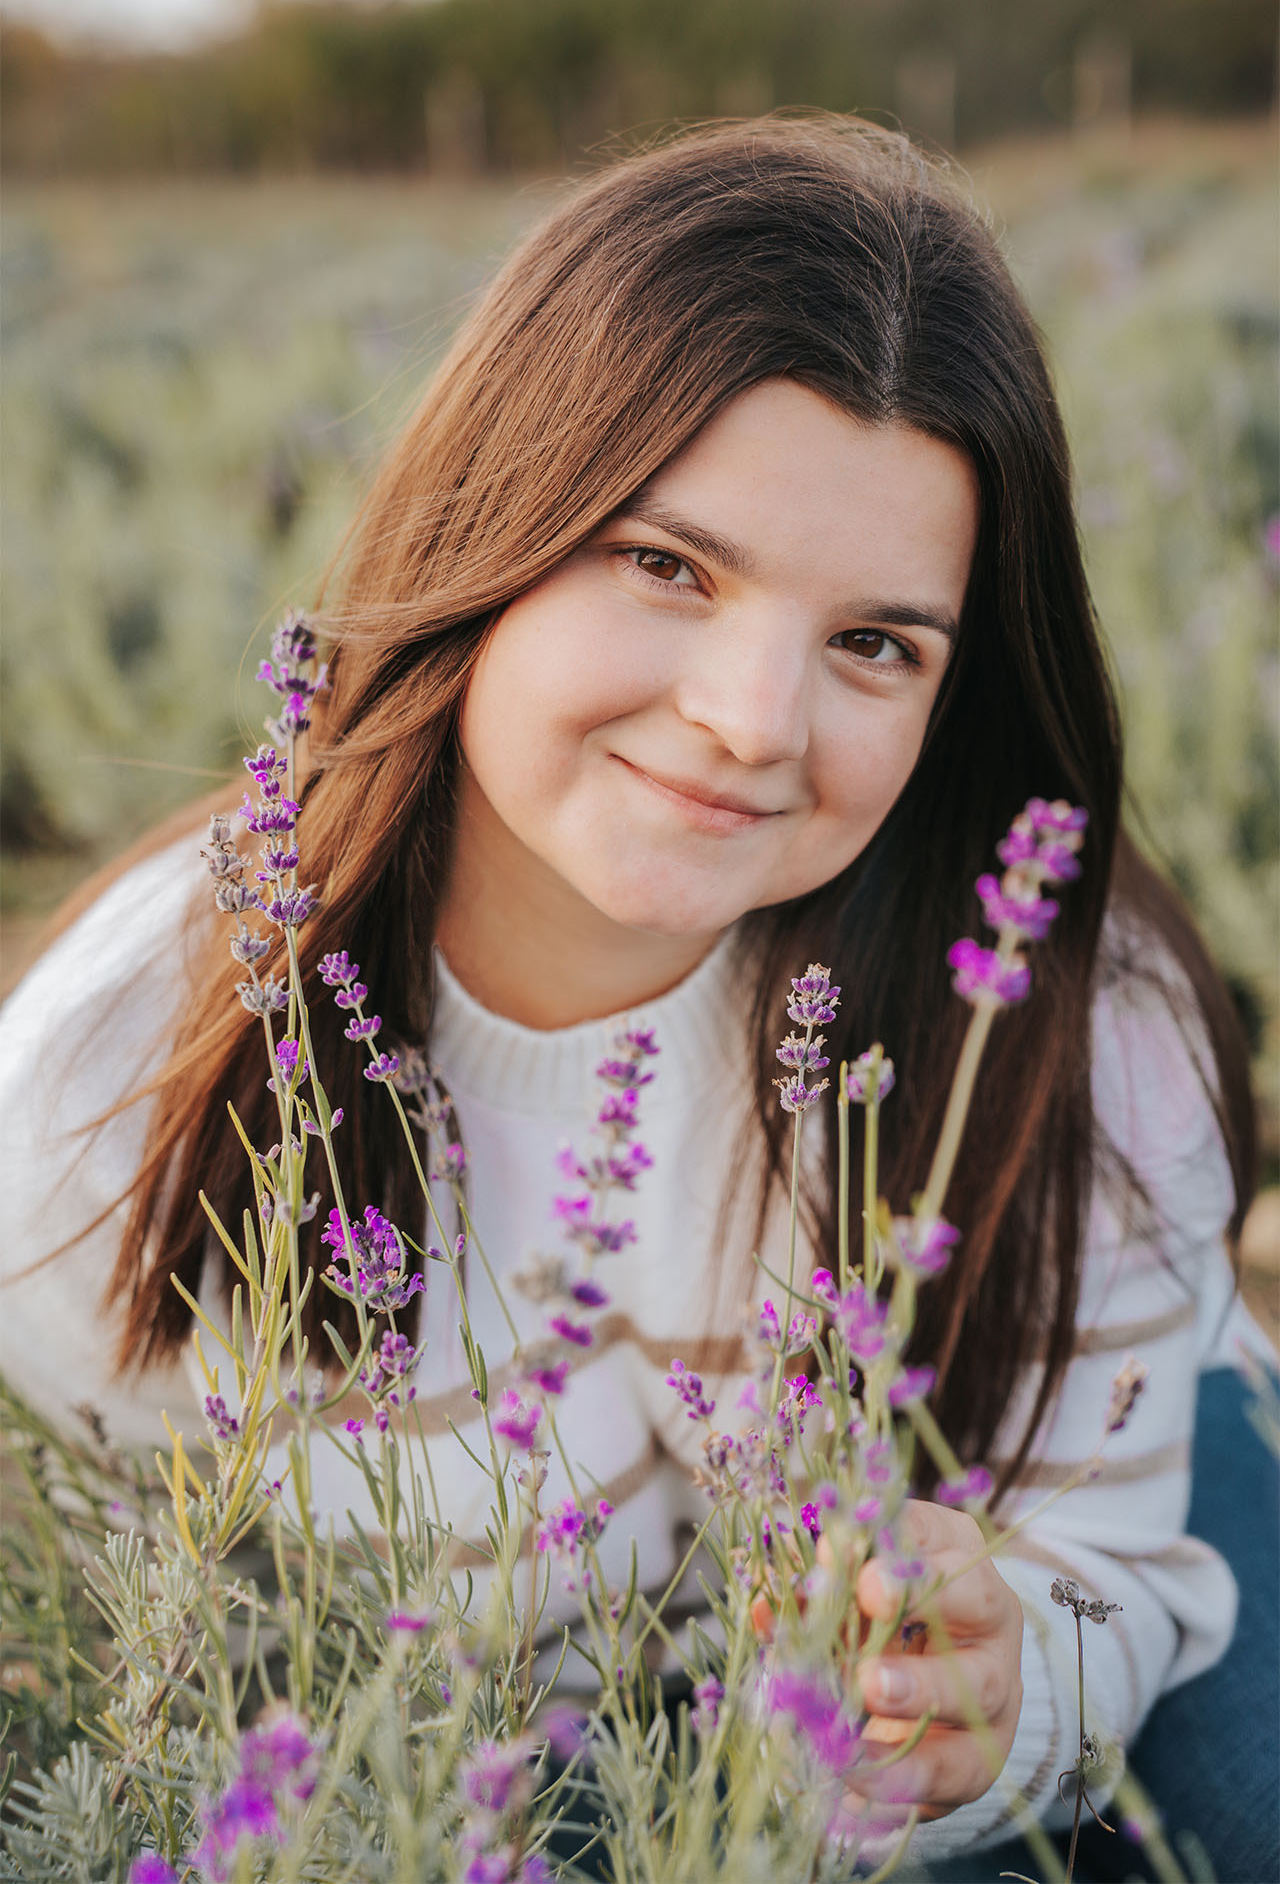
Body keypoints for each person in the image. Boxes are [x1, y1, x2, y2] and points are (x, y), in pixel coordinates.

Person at [0, 117, 1272, 1875]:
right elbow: (145, 1667)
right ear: (491, 526)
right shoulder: (111, 1085)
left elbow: (1099, 1566)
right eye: (667, 564)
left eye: (875, 642)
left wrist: (1006, 1684)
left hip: (1050, 1559)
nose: (753, 719)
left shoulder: (1059, 1018)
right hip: (504, 1752)